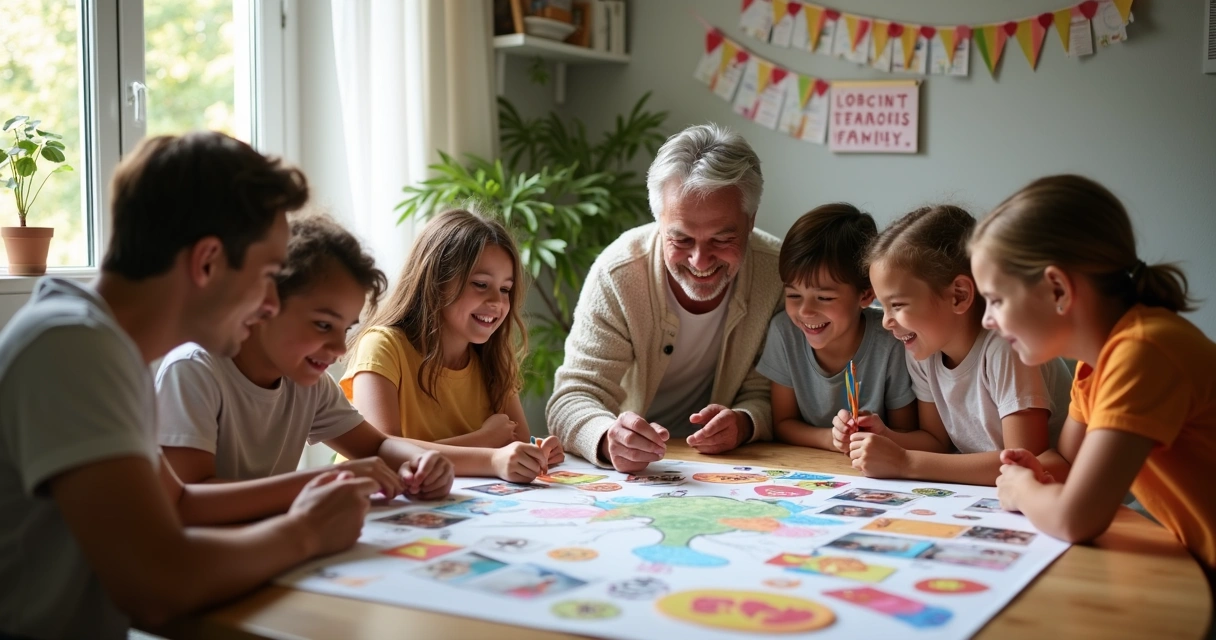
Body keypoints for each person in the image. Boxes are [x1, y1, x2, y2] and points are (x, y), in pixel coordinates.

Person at [0, 132, 376, 637]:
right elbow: (156, 584)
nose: (270, 303)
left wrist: (319, 492)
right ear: (207, 261)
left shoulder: (106, 346)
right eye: (268, 274)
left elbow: (178, 503)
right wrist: (305, 532)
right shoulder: (71, 346)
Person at [969, 174, 1215, 579]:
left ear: (1058, 289)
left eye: (995, 299)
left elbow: (1075, 519)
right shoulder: (1095, 362)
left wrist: (1024, 491)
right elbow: (1068, 462)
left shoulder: (1143, 352)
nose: (987, 320)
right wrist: (1041, 475)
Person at [156, 212, 454, 502]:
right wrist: (327, 480)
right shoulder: (194, 371)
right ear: (265, 303)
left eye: (345, 328)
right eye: (323, 325)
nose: (340, 349)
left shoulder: (309, 383)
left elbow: (378, 445)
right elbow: (188, 500)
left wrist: (423, 461)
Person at [547, 123, 784, 471]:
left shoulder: (778, 274)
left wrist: (745, 422)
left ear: (750, 222)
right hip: (632, 474)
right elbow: (572, 396)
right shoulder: (619, 273)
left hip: (728, 468)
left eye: (721, 240)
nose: (700, 261)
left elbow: (770, 392)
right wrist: (606, 437)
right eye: (682, 240)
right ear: (659, 220)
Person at [844, 205, 1072, 485]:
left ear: (959, 296)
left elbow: (1026, 461)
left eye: (898, 305)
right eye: (883, 306)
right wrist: (883, 440)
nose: (886, 321)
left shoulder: (1006, 347)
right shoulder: (923, 351)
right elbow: (936, 441)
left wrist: (905, 462)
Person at [344, 208, 563, 482]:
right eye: (480, 284)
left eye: (505, 289)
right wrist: (484, 444)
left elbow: (514, 445)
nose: (497, 301)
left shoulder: (494, 359)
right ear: (436, 281)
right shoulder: (383, 346)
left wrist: (535, 453)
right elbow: (380, 450)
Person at [757, 203, 916, 452]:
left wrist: (877, 435)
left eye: (824, 298)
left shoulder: (890, 341)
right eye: (793, 295)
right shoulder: (784, 332)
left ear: (865, 295)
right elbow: (783, 423)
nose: (805, 311)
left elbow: (906, 431)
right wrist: (830, 439)